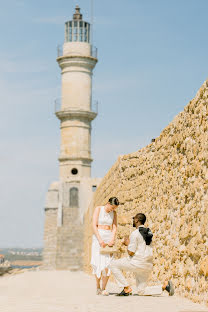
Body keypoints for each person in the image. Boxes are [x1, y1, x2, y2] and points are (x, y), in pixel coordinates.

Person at [109, 213, 174, 296]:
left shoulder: (135, 233)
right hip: (147, 265)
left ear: (136, 220)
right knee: (141, 291)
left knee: (113, 264)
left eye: (134, 219)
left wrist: (127, 243)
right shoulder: (149, 233)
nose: (133, 220)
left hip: (136, 262)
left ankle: (126, 287)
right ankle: (164, 286)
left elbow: (131, 252)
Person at [91, 197, 119, 295]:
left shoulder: (114, 213)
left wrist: (112, 238)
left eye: (114, 208)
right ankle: (98, 286)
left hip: (108, 236)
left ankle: (104, 288)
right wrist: (100, 240)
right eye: (112, 207)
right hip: (98, 237)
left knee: (108, 263)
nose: (112, 210)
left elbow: (114, 227)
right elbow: (94, 225)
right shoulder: (98, 209)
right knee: (98, 262)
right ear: (108, 203)